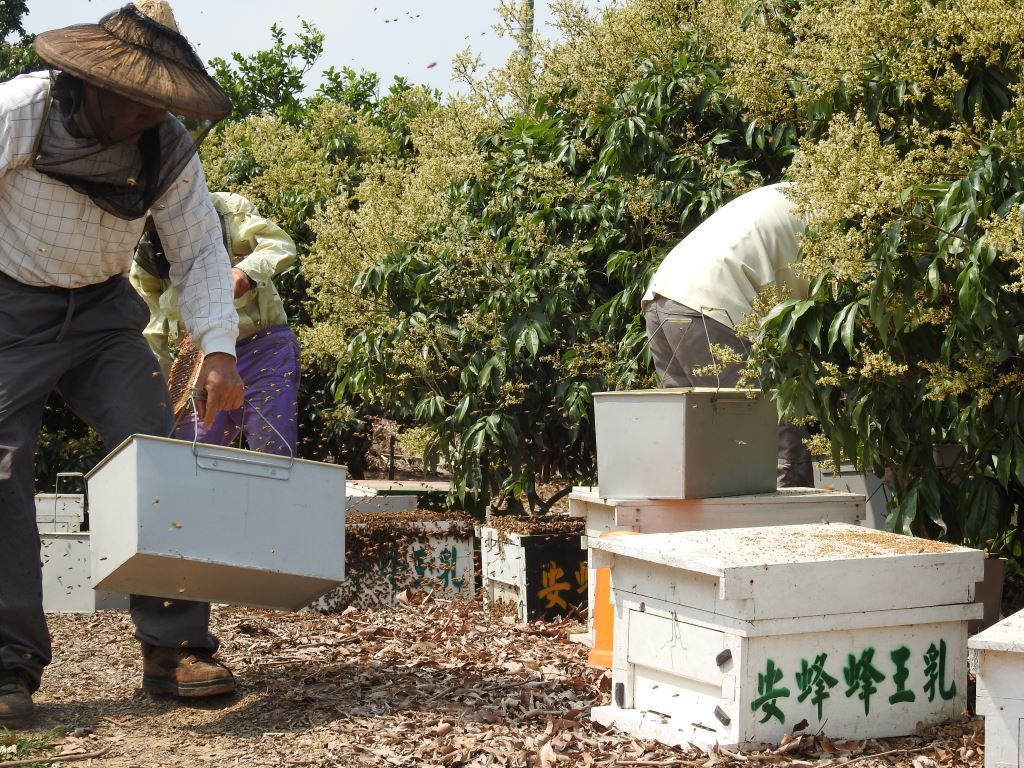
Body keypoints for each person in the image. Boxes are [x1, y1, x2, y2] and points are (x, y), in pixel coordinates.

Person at [0, 0, 247, 729]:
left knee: (157, 455)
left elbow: (199, 249)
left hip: (105, 314)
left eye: (159, 105)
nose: (145, 116)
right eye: (134, 101)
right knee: (2, 468)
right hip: (9, 305)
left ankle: (175, 650)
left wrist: (220, 351)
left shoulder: (167, 147)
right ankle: (7, 665)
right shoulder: (22, 108)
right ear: (91, 78)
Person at [642, 182, 814, 487]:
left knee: (697, 441)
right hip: (712, 304)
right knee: (771, 429)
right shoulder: (841, 220)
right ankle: (791, 527)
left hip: (662, 296)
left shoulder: (796, 192)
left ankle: (702, 531)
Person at [130, 191, 300, 455]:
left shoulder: (227, 209)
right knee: (188, 456)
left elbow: (279, 244)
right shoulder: (145, 260)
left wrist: (244, 272)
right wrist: (159, 399)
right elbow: (152, 339)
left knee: (273, 454)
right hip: (200, 361)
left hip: (264, 349)